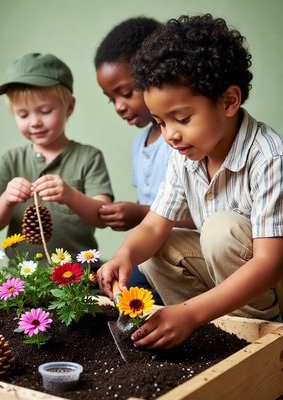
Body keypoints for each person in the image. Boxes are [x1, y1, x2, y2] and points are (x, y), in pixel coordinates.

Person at [97, 14, 283, 350]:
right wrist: (124, 255)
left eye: (181, 118)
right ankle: (208, 331)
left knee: (219, 229)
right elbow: (154, 227)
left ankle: (247, 337)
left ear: (228, 101)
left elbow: (270, 264)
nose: (170, 134)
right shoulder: (184, 155)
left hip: (271, 292)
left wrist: (191, 313)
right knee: (154, 250)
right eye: (160, 122)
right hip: (219, 286)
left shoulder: (269, 159)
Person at [94, 17, 193, 299]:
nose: (119, 106)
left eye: (125, 93)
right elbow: (149, 220)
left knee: (133, 287)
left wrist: (140, 214)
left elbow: (202, 218)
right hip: (153, 248)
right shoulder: (141, 143)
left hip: (182, 253)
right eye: (110, 98)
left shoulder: (184, 144)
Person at [0, 53, 114, 261]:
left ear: (69, 107)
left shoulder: (88, 157)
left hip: (77, 274)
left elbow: (103, 217)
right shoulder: (11, 159)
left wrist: (71, 196)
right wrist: (7, 200)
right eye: (23, 115)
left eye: (45, 111)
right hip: (22, 276)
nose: (34, 122)